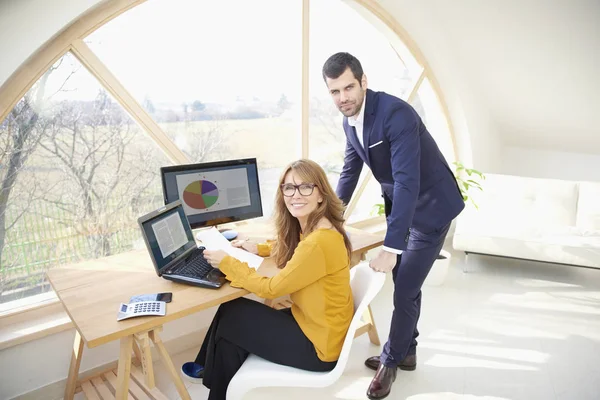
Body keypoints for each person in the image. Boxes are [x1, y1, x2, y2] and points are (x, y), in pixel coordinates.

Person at [322, 52, 465, 400]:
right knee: (407, 284)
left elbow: (406, 183)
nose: (344, 98)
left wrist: (390, 246)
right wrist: (328, 218)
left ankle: (391, 360)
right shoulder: (349, 121)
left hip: (431, 208)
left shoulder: (396, 114)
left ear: (363, 81)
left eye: (349, 87)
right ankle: (408, 351)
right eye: (335, 91)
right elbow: (349, 173)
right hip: (402, 208)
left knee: (403, 288)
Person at [181, 159, 354, 400]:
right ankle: (208, 373)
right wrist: (260, 248)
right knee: (232, 322)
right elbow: (298, 253)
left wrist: (227, 262)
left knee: (233, 315)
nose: (296, 195)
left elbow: (272, 288)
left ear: (321, 195)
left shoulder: (318, 242)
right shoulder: (319, 229)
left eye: (306, 187)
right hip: (319, 327)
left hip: (319, 347)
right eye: (289, 188)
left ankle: (206, 371)